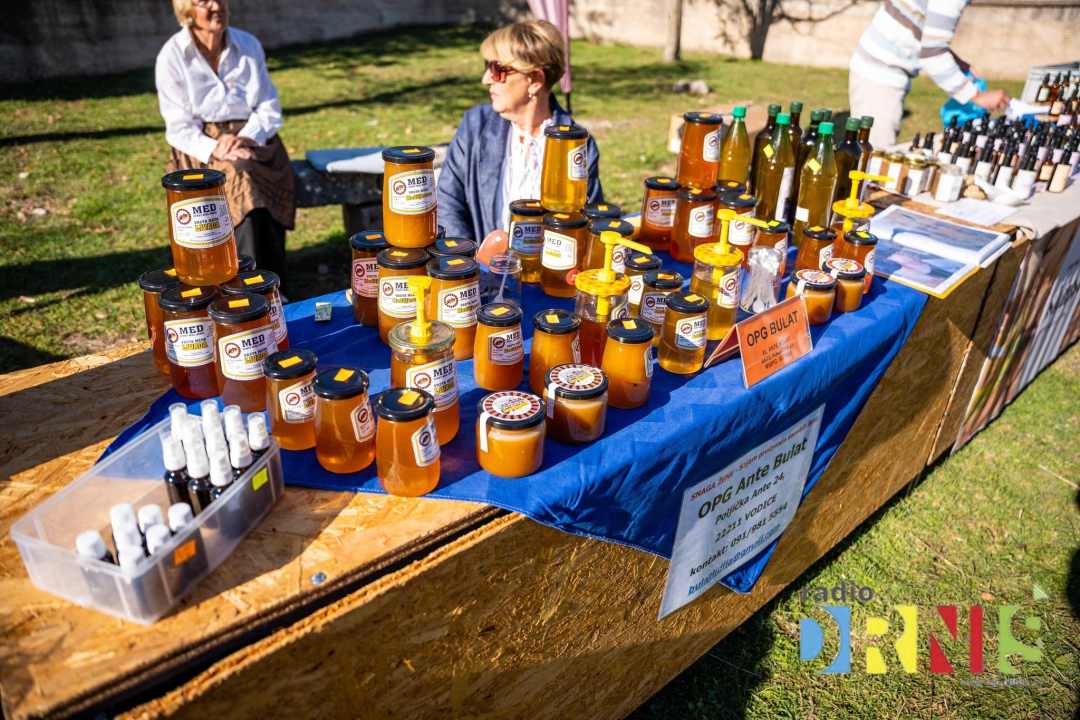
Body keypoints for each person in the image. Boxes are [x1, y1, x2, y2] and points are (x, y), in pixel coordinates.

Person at [437, 19, 603, 265]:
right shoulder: (475, 126)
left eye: (496, 69)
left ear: (534, 80)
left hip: (550, 276)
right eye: (487, 66)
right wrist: (469, 267)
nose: (486, 79)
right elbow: (448, 203)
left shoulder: (577, 146)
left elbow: (590, 224)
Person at [156, 0, 295, 291]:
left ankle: (268, 282)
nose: (216, 6)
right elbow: (179, 126)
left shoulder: (248, 44)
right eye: (203, 1)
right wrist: (216, 147)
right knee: (238, 173)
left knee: (248, 169)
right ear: (186, 9)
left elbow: (268, 107)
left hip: (253, 136)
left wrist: (245, 137)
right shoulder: (173, 54)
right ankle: (247, 284)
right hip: (200, 145)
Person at [848, 0, 1011, 148]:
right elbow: (932, 57)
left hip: (875, 70)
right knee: (872, 159)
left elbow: (921, 29)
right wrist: (978, 96)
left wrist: (953, 59)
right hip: (879, 77)